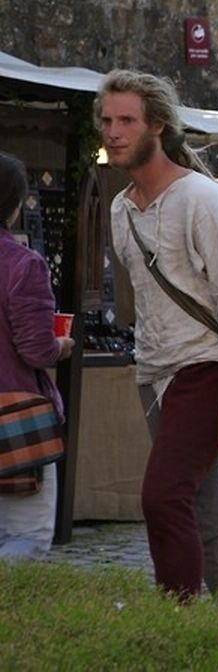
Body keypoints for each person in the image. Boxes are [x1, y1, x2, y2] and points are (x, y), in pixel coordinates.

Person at [99, 69, 218, 604]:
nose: (113, 132)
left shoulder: (202, 199)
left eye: (127, 120)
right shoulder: (122, 208)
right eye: (107, 120)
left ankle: (176, 624)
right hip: (155, 376)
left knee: (163, 498)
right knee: (208, 519)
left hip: (206, 369)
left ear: (158, 126)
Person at [0, 152, 75, 557]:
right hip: (13, 416)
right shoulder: (23, 265)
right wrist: (61, 345)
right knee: (26, 535)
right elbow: (36, 350)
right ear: (13, 206)